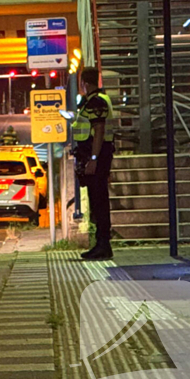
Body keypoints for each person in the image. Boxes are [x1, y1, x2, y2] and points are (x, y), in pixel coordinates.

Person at [73, 68, 115, 260]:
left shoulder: (96, 102)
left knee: (99, 201)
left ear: (84, 83)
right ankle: (101, 244)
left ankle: (103, 245)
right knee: (97, 200)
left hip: (96, 157)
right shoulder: (97, 100)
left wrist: (94, 159)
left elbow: (99, 130)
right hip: (96, 156)